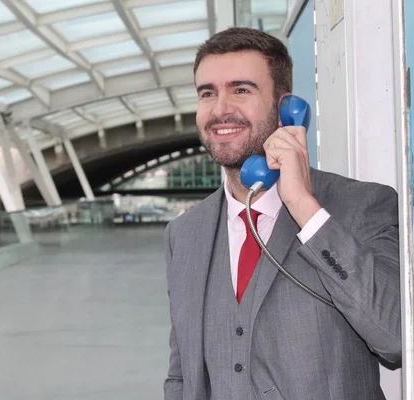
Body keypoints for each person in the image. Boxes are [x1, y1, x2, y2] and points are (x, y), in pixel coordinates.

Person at [163, 27, 401, 400]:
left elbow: (397, 338)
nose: (220, 108)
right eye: (207, 93)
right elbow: (181, 375)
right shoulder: (184, 234)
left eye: (241, 90)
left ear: (286, 107)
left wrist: (305, 207)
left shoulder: (362, 205)